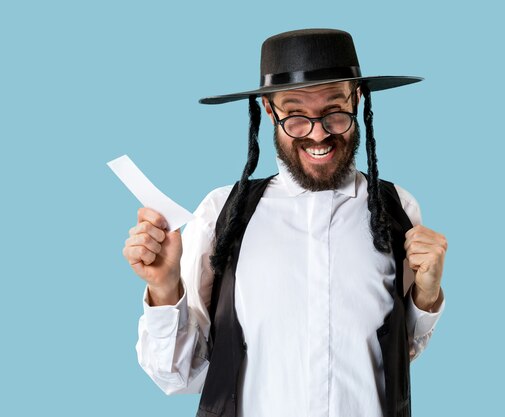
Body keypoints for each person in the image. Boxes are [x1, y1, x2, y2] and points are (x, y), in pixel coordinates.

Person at [123, 29, 447, 417]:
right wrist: (164, 288)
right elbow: (179, 377)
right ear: (268, 109)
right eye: (295, 115)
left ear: (357, 99)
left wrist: (426, 298)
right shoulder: (222, 214)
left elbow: (396, 357)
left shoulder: (395, 209)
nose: (318, 133)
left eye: (334, 111)